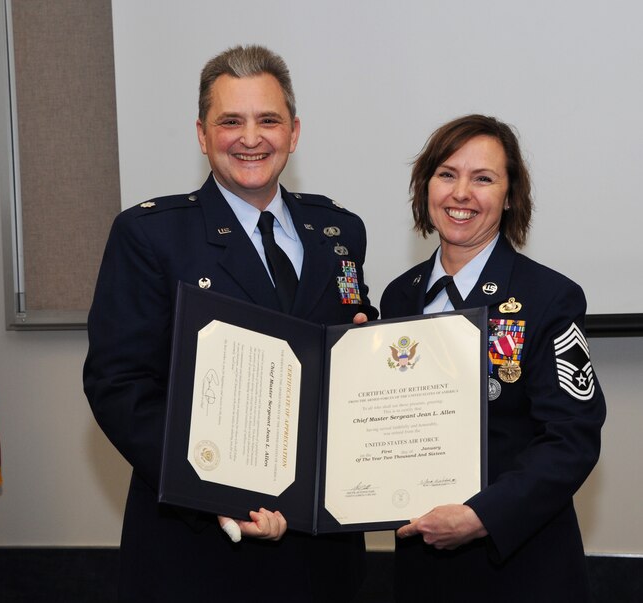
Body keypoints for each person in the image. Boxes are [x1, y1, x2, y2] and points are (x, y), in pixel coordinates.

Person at [83, 45, 378, 603]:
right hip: (200, 554)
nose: (251, 138)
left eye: (268, 120)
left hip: (323, 558)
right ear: (201, 134)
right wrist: (218, 493)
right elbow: (118, 387)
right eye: (230, 121)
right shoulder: (150, 236)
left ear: (294, 132)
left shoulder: (339, 231)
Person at [374, 114, 606, 602]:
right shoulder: (399, 297)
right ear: (425, 186)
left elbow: (571, 441)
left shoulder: (549, 297)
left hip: (522, 570)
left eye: (483, 178)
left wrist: (482, 516)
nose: (461, 193)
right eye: (447, 174)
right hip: (423, 573)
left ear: (509, 195)